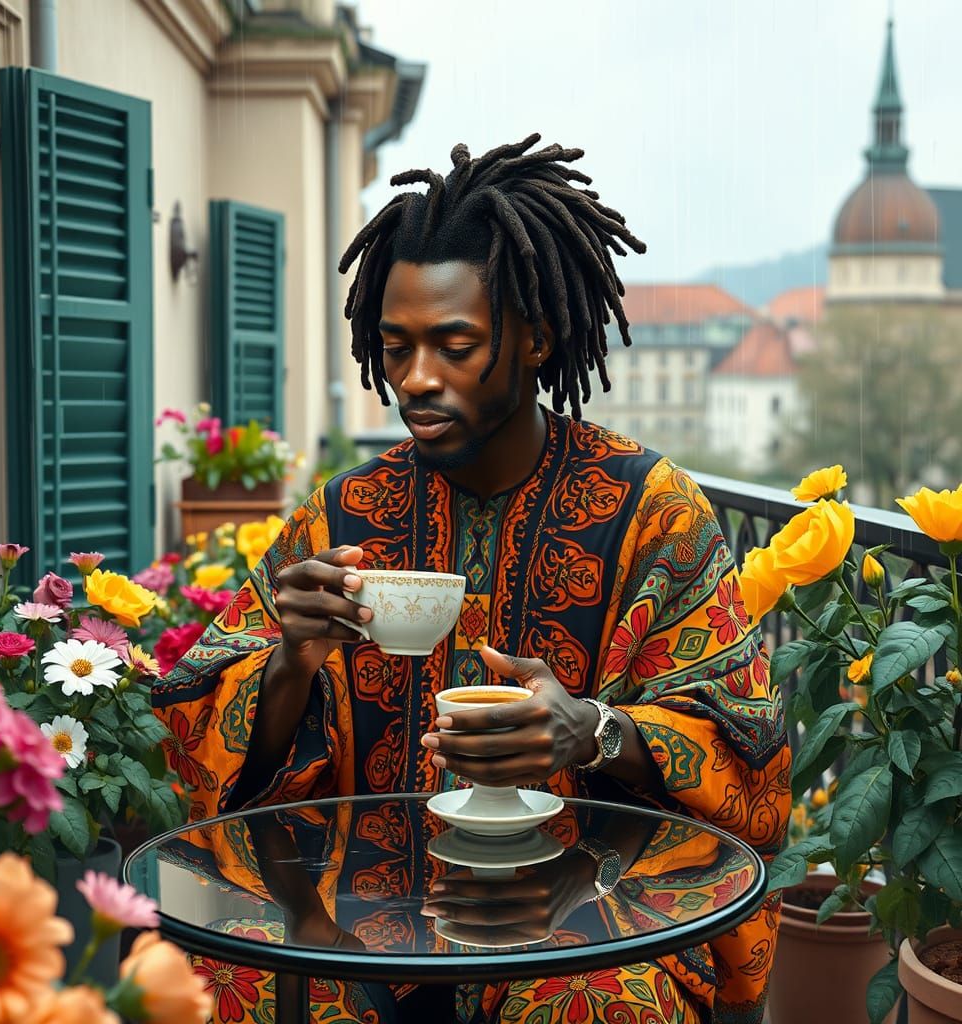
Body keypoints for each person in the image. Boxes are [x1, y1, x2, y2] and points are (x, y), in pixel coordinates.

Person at [154, 134, 791, 1024]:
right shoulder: (338, 517)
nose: (416, 379)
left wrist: (595, 731)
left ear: (537, 338)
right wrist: (289, 662)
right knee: (214, 986)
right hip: (351, 915)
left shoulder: (653, 511)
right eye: (396, 345)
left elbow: (750, 752)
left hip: (588, 912)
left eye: (455, 345)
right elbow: (191, 750)